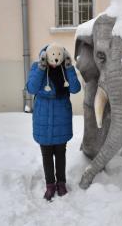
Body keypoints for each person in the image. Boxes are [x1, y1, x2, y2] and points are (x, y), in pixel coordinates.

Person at [26, 44, 81, 201]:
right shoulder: (37, 66)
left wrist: (69, 67)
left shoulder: (65, 68)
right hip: (43, 116)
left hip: (61, 116)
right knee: (46, 154)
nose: (55, 62)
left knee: (60, 152)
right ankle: (50, 185)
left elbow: (76, 88)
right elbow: (31, 88)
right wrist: (41, 68)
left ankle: (61, 183)